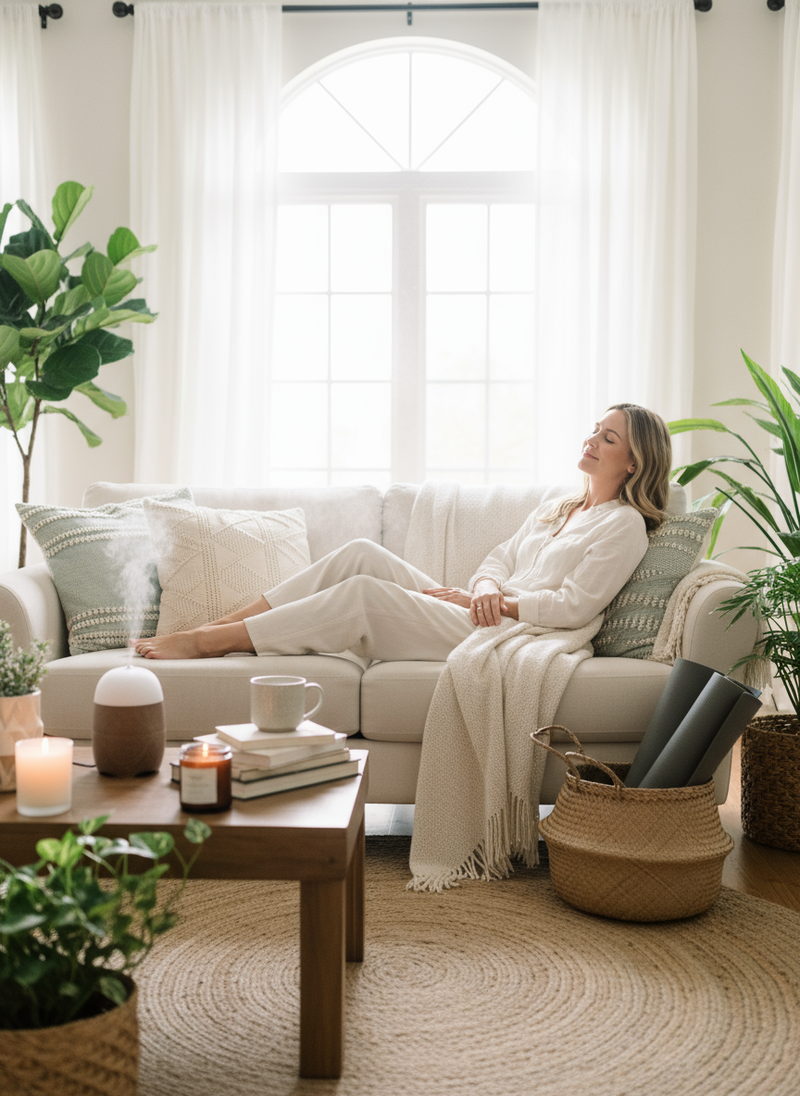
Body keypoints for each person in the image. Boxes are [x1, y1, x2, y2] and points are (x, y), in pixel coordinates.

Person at [134, 403, 672, 662]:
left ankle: (209, 642)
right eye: (594, 430)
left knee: (364, 595)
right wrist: (485, 588)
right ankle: (225, 621)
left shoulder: (624, 526)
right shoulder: (560, 507)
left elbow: (576, 607)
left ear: (634, 462)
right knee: (361, 554)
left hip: (510, 635)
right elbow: (499, 558)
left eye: (608, 438)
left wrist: (498, 605)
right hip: (483, 610)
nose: (591, 441)